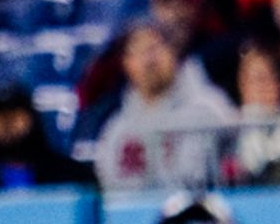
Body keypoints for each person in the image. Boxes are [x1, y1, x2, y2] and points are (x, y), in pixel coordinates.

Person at [91, 21, 239, 190]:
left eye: (154, 48)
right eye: (139, 52)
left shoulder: (208, 106)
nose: (149, 60)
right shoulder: (115, 128)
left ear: (174, 52)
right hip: (132, 214)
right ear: (126, 64)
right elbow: (109, 186)